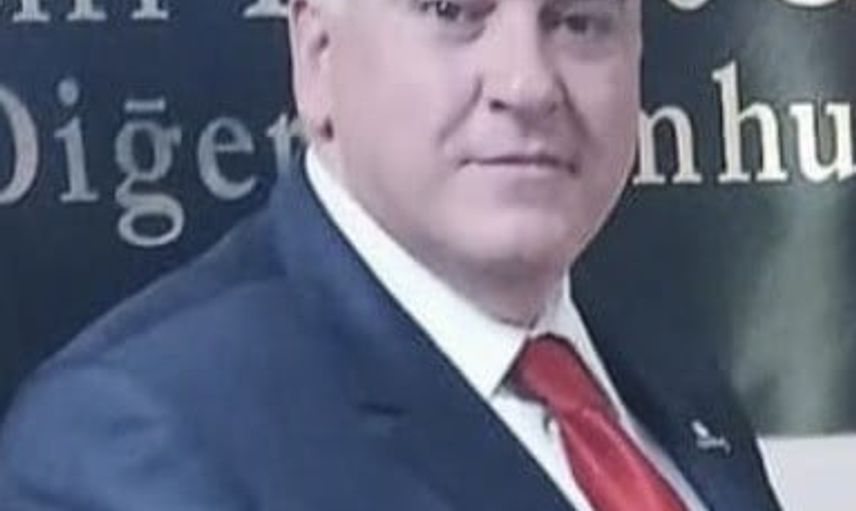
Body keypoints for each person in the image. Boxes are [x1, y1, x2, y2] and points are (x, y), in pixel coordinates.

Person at [0, 0, 781, 509]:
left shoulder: (668, 372)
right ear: (318, 55)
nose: (527, 83)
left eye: (579, 21)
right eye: (453, 11)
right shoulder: (134, 440)